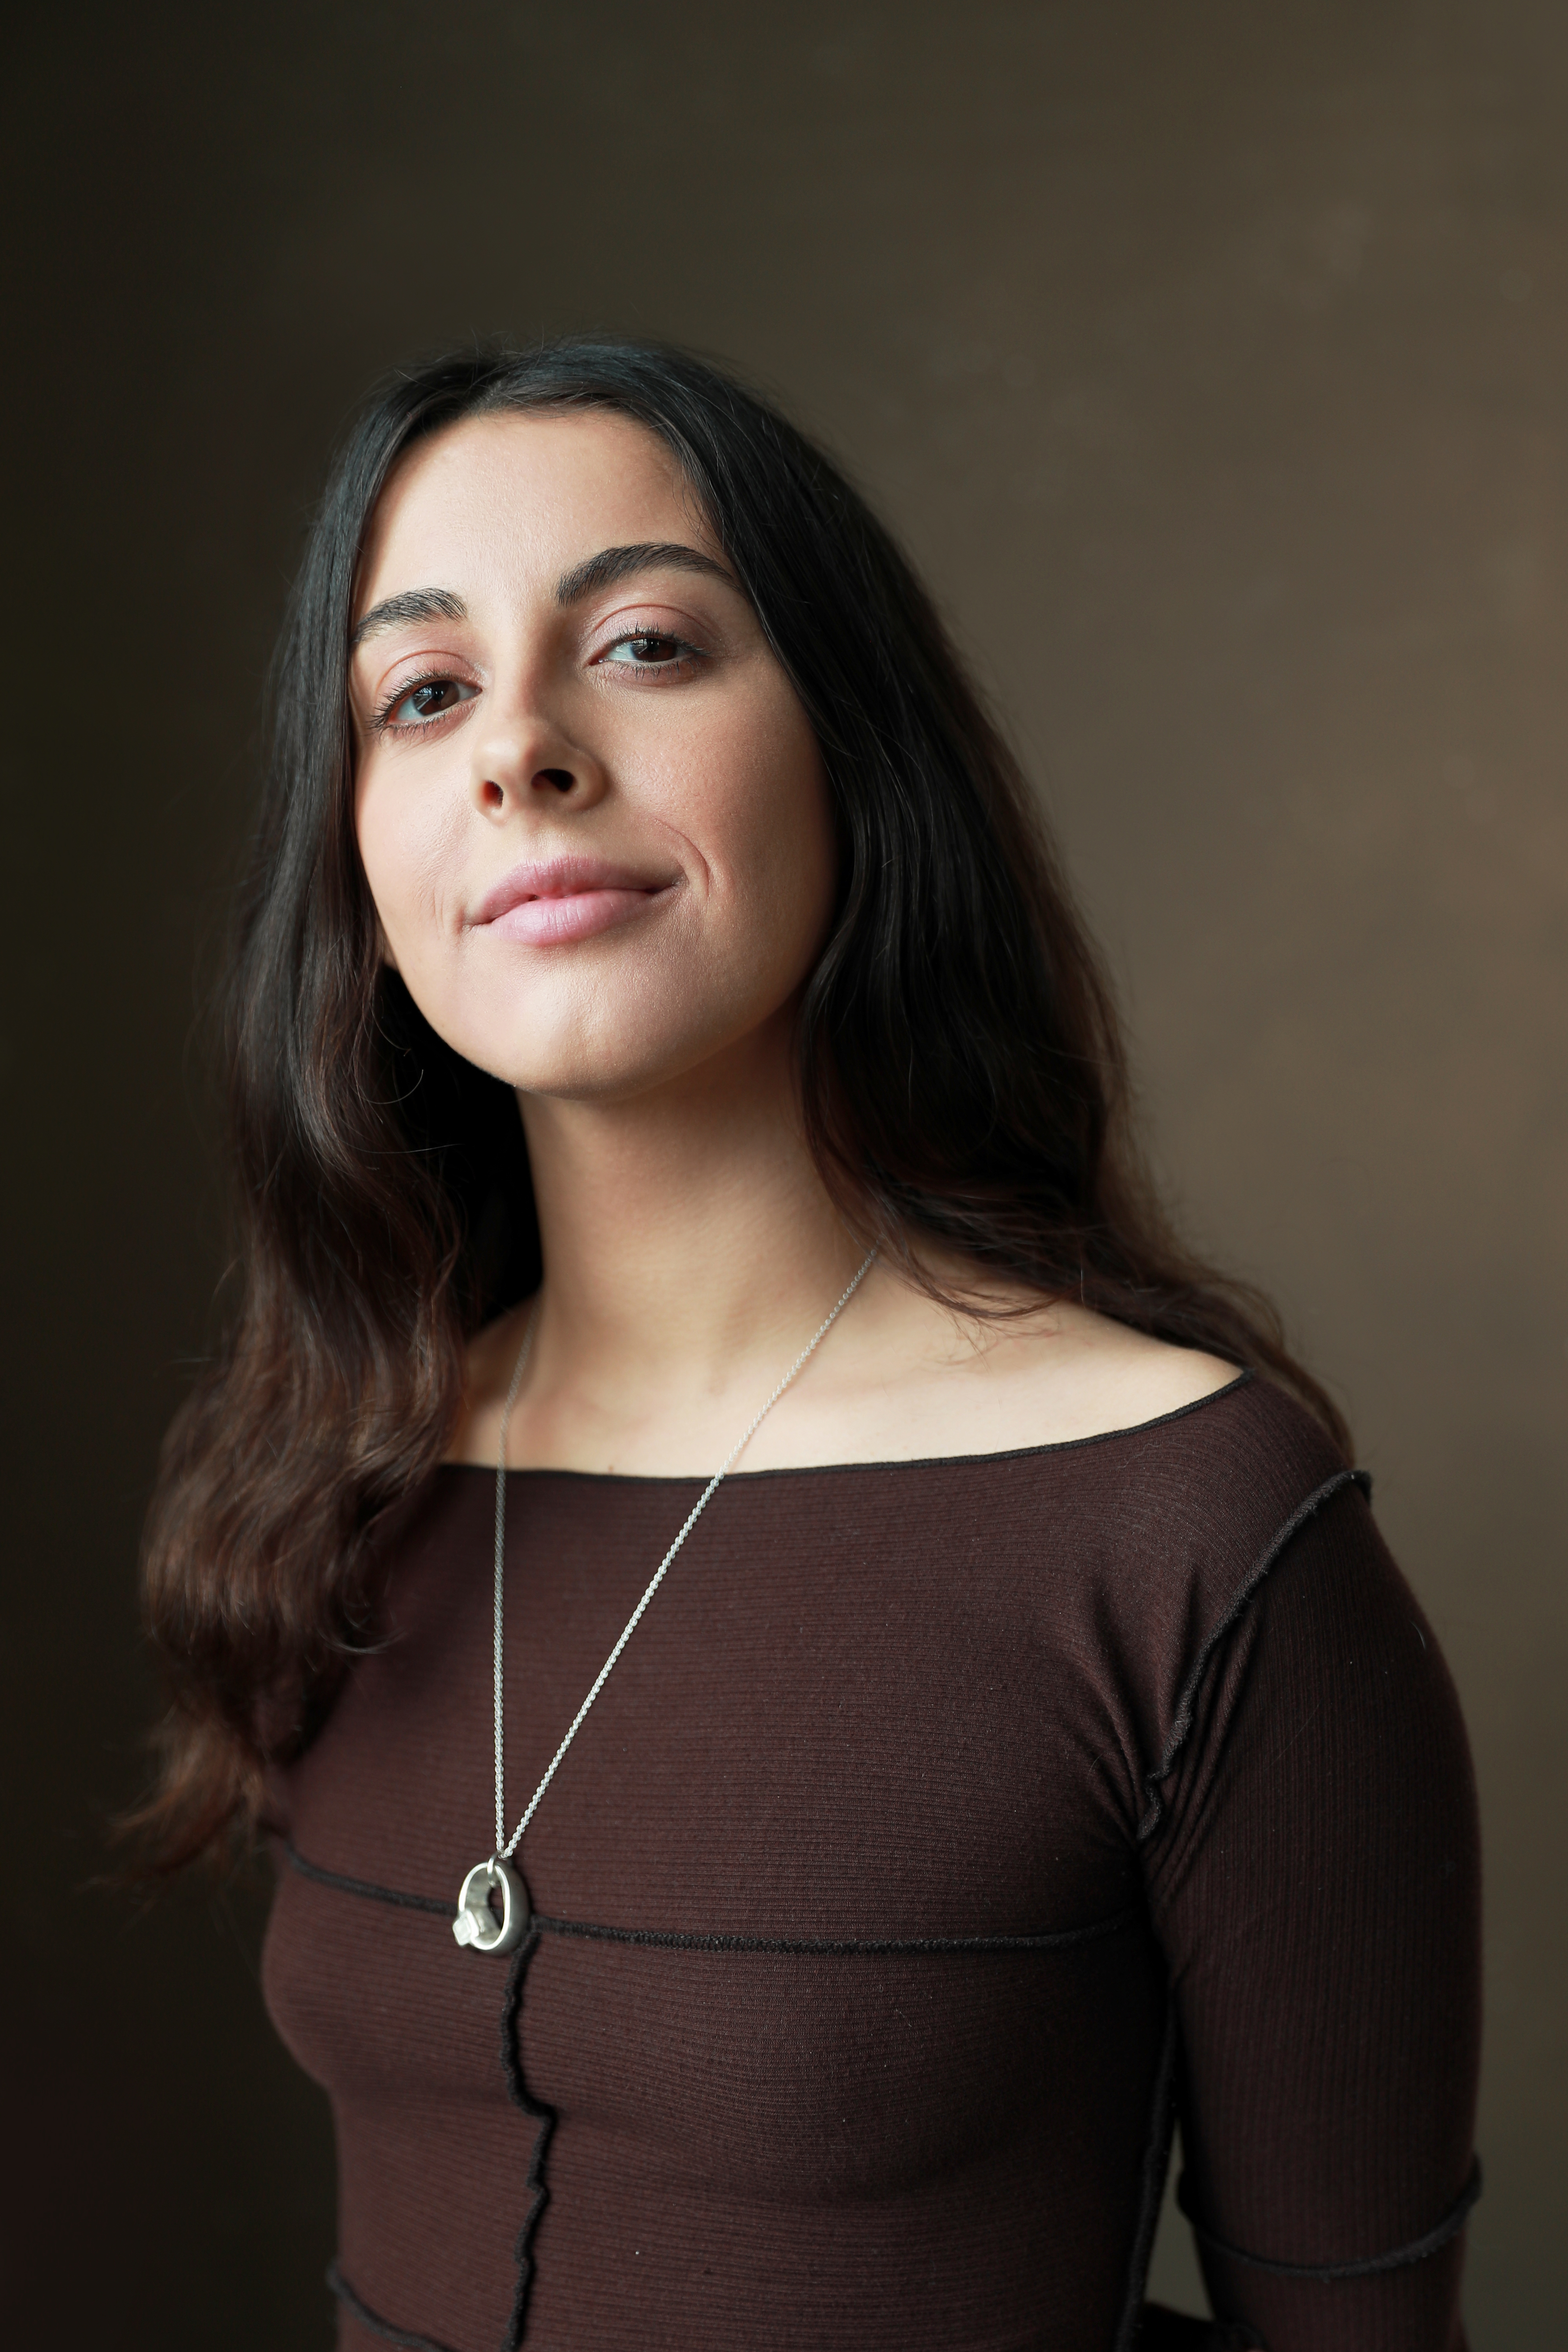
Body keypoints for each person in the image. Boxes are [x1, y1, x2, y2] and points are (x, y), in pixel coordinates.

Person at [137, 342, 1480, 2352]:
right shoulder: (339, 1470)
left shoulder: (1195, 1533)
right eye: (420, 694)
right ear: (362, 868)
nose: (518, 748)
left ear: (856, 745)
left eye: (647, 645)